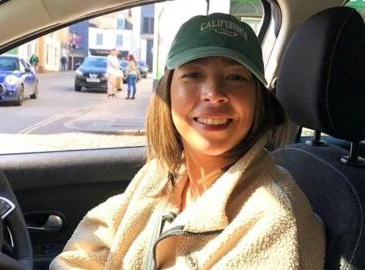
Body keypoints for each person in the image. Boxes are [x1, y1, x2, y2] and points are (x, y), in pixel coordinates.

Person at [50, 13, 325, 269]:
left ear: (258, 101)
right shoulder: (162, 172)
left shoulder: (272, 218)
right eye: (193, 74)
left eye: (235, 77)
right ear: (167, 92)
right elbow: (93, 242)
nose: (214, 93)